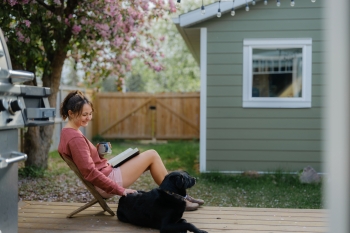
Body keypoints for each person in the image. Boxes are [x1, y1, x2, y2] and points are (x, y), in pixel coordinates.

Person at [57, 90, 204, 211]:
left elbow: (86, 162)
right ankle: (178, 199)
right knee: (152, 155)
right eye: (84, 114)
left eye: (90, 113)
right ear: (71, 113)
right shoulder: (75, 138)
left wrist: (99, 154)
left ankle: (178, 197)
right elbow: (90, 172)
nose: (88, 118)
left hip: (107, 172)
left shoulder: (68, 132)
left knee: (149, 156)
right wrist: (120, 190)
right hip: (108, 182)